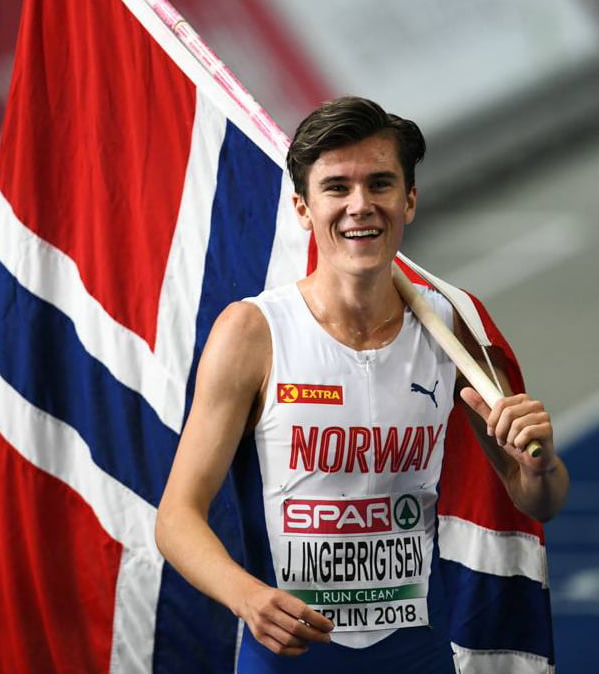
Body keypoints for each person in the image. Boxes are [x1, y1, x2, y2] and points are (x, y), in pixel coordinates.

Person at [155, 96, 569, 672]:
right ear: (302, 208)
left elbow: (538, 501)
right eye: (337, 188)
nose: (360, 206)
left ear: (410, 201)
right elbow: (177, 516)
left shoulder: (453, 327)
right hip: (288, 657)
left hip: (416, 655)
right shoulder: (253, 332)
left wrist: (541, 466)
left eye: (380, 184)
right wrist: (246, 596)